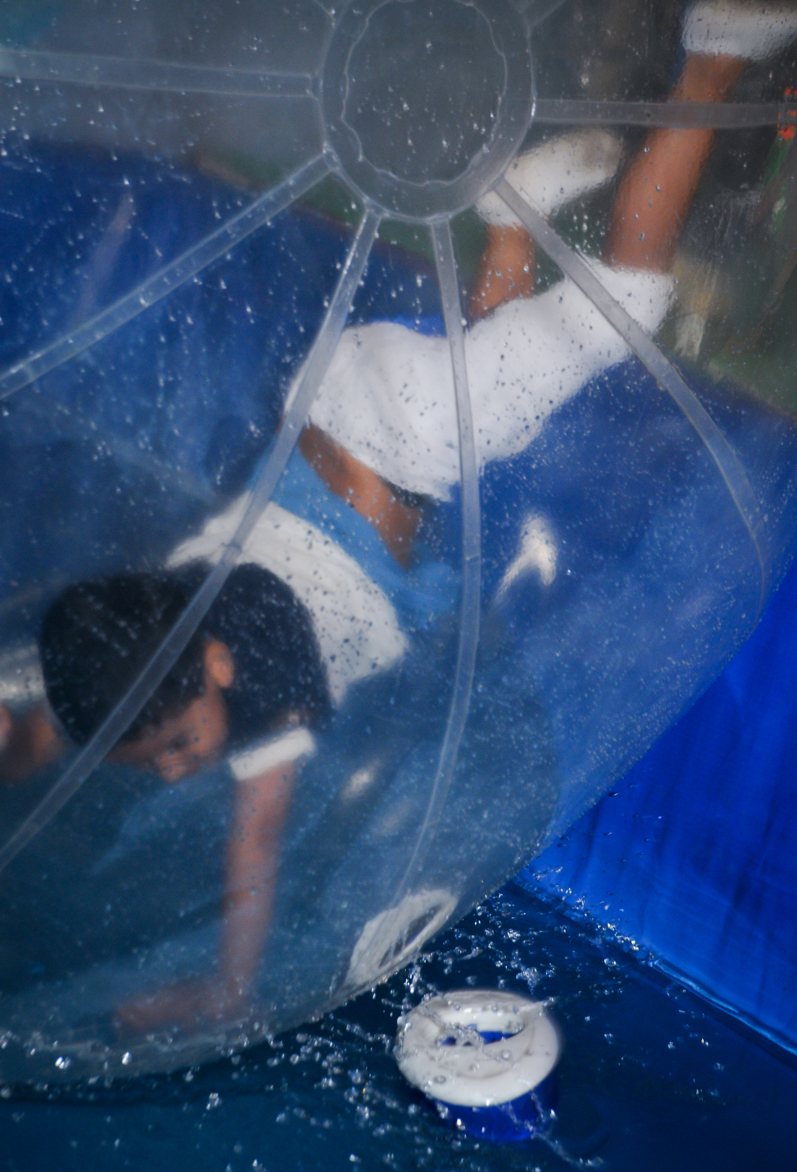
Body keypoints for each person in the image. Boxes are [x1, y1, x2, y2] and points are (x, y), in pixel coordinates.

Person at [1, 0, 794, 1030]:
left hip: (399, 434)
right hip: (340, 397)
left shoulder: (267, 685)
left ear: (222, 674)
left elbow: (253, 852)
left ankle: (709, 63)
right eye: (159, 759)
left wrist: (225, 988)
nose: (172, 766)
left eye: (179, 744)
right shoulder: (147, 625)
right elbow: (69, 707)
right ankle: (513, 215)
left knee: (626, 301)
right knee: (481, 374)